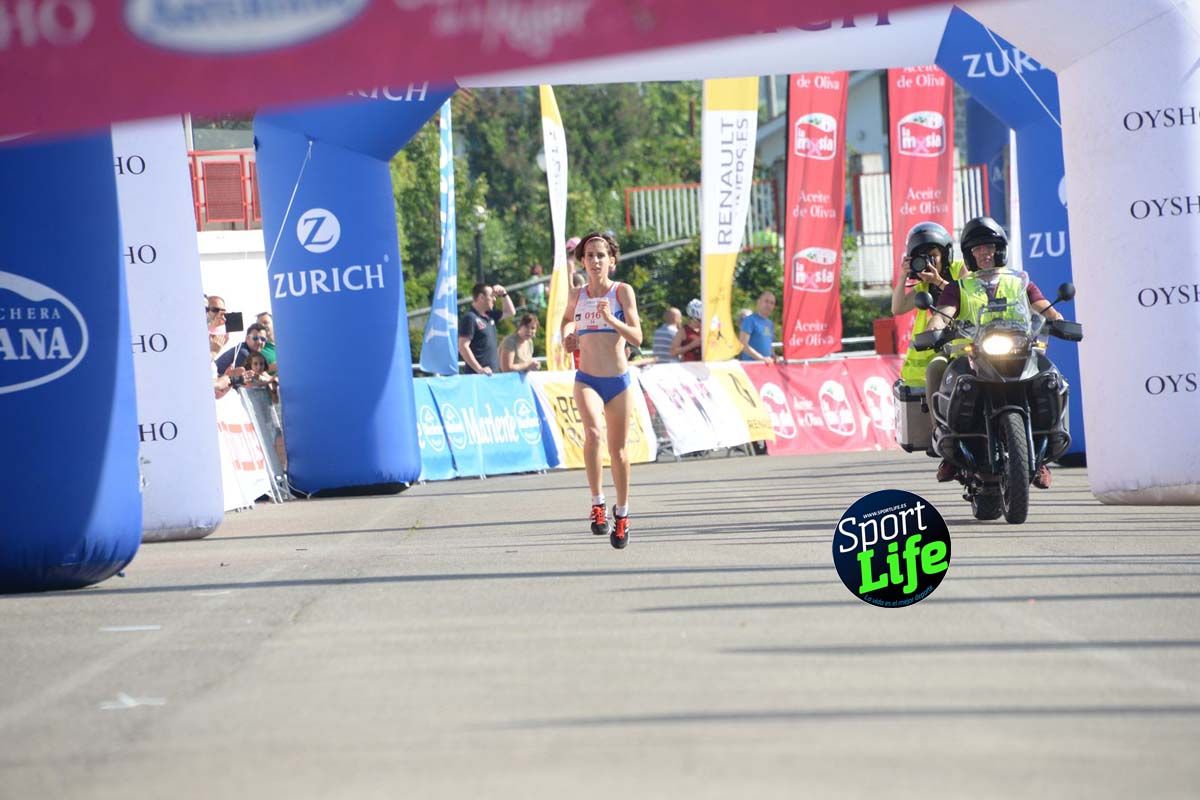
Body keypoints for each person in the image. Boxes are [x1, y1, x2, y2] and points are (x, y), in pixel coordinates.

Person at [925, 216, 1064, 489]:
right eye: (977, 249)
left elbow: (1043, 306)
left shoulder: (1020, 282)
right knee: (936, 369)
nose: (984, 253)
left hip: (1018, 348)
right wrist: (934, 328)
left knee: (1051, 376)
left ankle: (1042, 453)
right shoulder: (959, 287)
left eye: (988, 247)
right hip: (973, 352)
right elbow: (945, 314)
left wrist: (1058, 320)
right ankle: (947, 447)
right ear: (969, 255)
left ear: (999, 249)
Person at [560, 231, 642, 549]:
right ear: (582, 260)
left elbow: (637, 337)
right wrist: (568, 336)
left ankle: (621, 515)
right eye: (590, 255)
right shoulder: (577, 295)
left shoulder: (622, 292)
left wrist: (613, 320)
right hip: (587, 379)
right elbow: (567, 321)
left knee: (619, 453)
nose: (595, 260)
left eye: (601, 255)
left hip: (618, 382)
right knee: (593, 434)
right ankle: (597, 503)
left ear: (611, 261)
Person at [458, 283, 515, 375]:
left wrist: (504, 294)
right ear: (481, 297)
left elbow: (510, 312)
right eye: (492, 296)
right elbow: (463, 346)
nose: (495, 299)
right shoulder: (470, 318)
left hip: (492, 374)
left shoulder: (489, 316)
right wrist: (479, 369)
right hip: (478, 377)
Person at [738, 291, 778, 362]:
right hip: (751, 367)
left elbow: (769, 344)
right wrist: (761, 358)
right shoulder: (749, 320)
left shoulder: (770, 324)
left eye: (772, 303)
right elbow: (743, 344)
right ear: (759, 302)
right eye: (766, 301)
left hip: (766, 367)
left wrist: (773, 355)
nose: (769, 305)